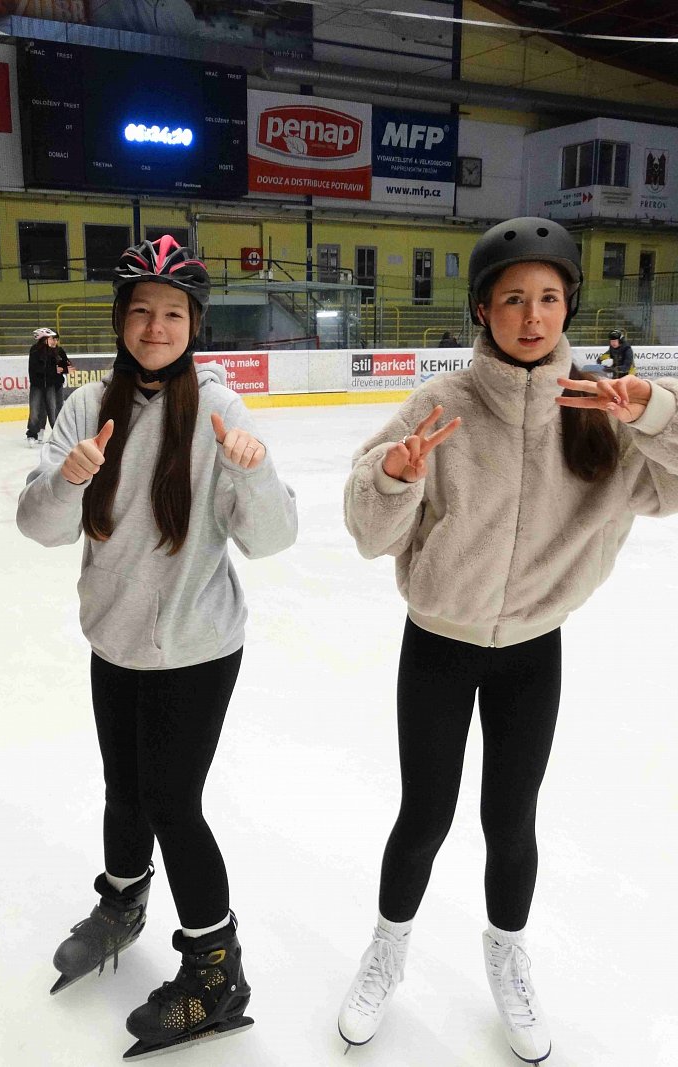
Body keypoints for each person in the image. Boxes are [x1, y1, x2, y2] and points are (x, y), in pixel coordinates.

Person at [339, 216, 678, 1065]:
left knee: (510, 819)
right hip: (438, 642)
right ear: (483, 310)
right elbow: (370, 531)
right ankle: (387, 949)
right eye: (514, 299)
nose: (534, 316)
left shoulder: (600, 406)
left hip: (533, 648)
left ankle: (507, 957)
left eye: (550, 298)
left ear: (570, 307)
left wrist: (656, 414)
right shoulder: (443, 404)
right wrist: (395, 478)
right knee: (424, 814)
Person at [16, 236, 297, 1058]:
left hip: (196, 647)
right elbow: (39, 527)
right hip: (114, 640)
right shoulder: (84, 407)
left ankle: (216, 972)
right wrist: (68, 478)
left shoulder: (219, 409)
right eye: (140, 309)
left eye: (172, 312)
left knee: (174, 803)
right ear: (120, 319)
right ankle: (123, 901)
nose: (155, 326)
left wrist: (252, 471)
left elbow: (273, 539)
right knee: (123, 787)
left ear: (194, 324)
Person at [25, 327, 64, 447]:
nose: (54, 341)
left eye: (55, 339)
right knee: (35, 410)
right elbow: (35, 369)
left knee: (53, 411)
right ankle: (32, 434)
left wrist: (59, 372)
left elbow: (63, 366)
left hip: (51, 385)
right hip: (37, 386)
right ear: (44, 339)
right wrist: (53, 371)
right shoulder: (35, 350)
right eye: (52, 339)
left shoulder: (56, 351)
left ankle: (59, 436)